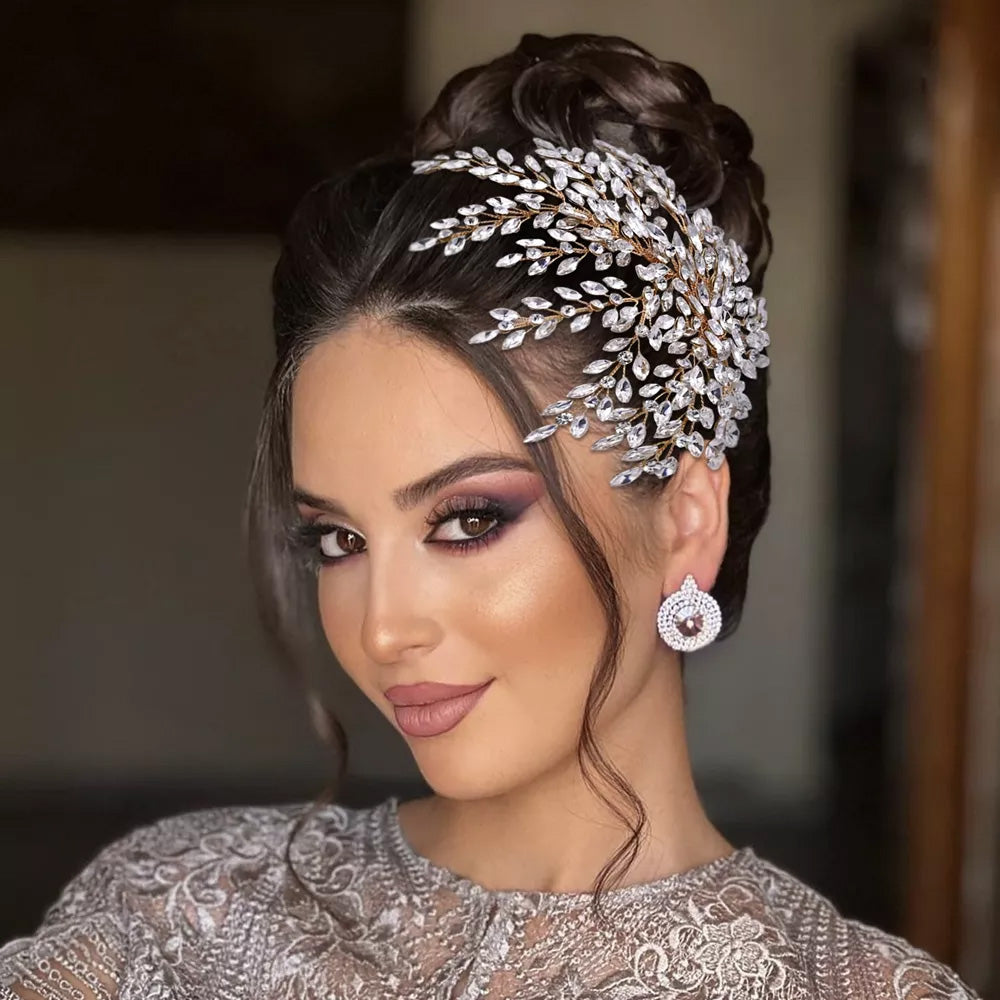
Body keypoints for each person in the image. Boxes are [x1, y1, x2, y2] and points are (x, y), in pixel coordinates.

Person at [0, 31, 981, 1000]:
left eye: (467, 519)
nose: (381, 628)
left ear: (686, 519)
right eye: (338, 540)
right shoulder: (176, 912)